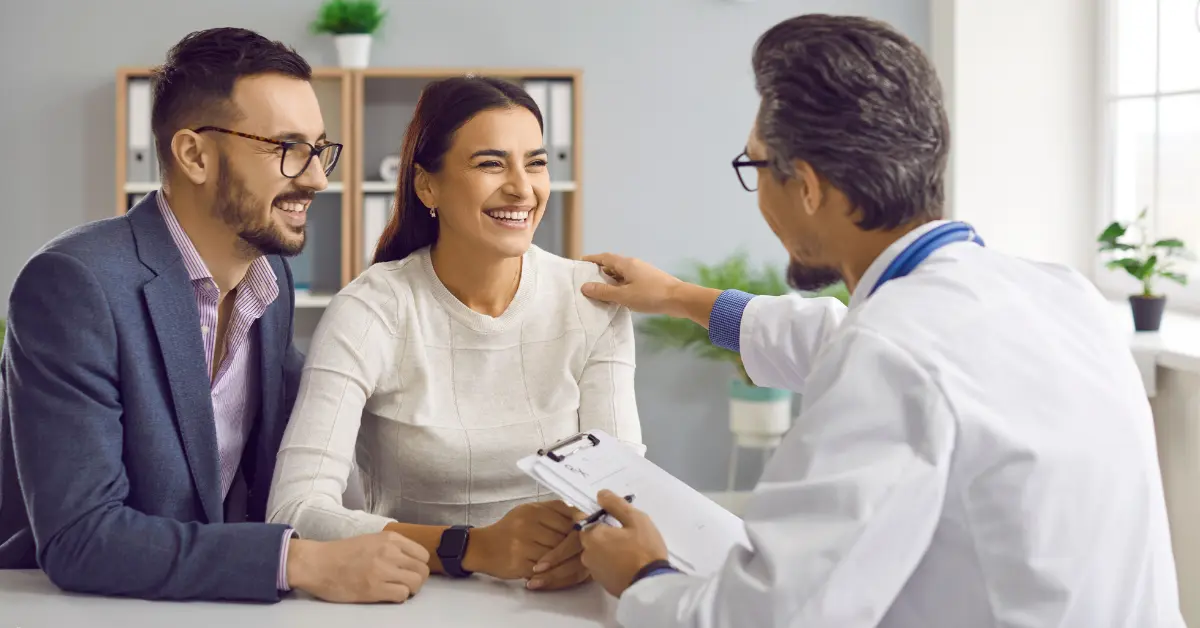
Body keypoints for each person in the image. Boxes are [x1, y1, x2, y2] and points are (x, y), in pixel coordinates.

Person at [573, 13, 1186, 628]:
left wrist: (645, 577)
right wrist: (679, 296)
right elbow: (850, 343)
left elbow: (773, 618)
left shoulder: (892, 351)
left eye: (755, 166)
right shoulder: (1057, 294)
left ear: (808, 187)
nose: (757, 188)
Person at [0, 27, 430, 604]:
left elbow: (337, 408)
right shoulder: (75, 285)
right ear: (195, 155)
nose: (317, 178)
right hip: (72, 609)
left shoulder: (268, 279)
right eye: (288, 149)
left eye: (319, 149)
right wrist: (299, 561)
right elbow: (81, 537)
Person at [265, 75, 643, 593]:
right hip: (414, 594)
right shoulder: (371, 310)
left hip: (566, 598)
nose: (521, 187)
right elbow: (295, 510)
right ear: (427, 186)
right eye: (490, 163)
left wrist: (589, 543)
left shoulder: (592, 301)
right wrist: (469, 548)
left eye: (535, 162)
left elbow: (623, 488)